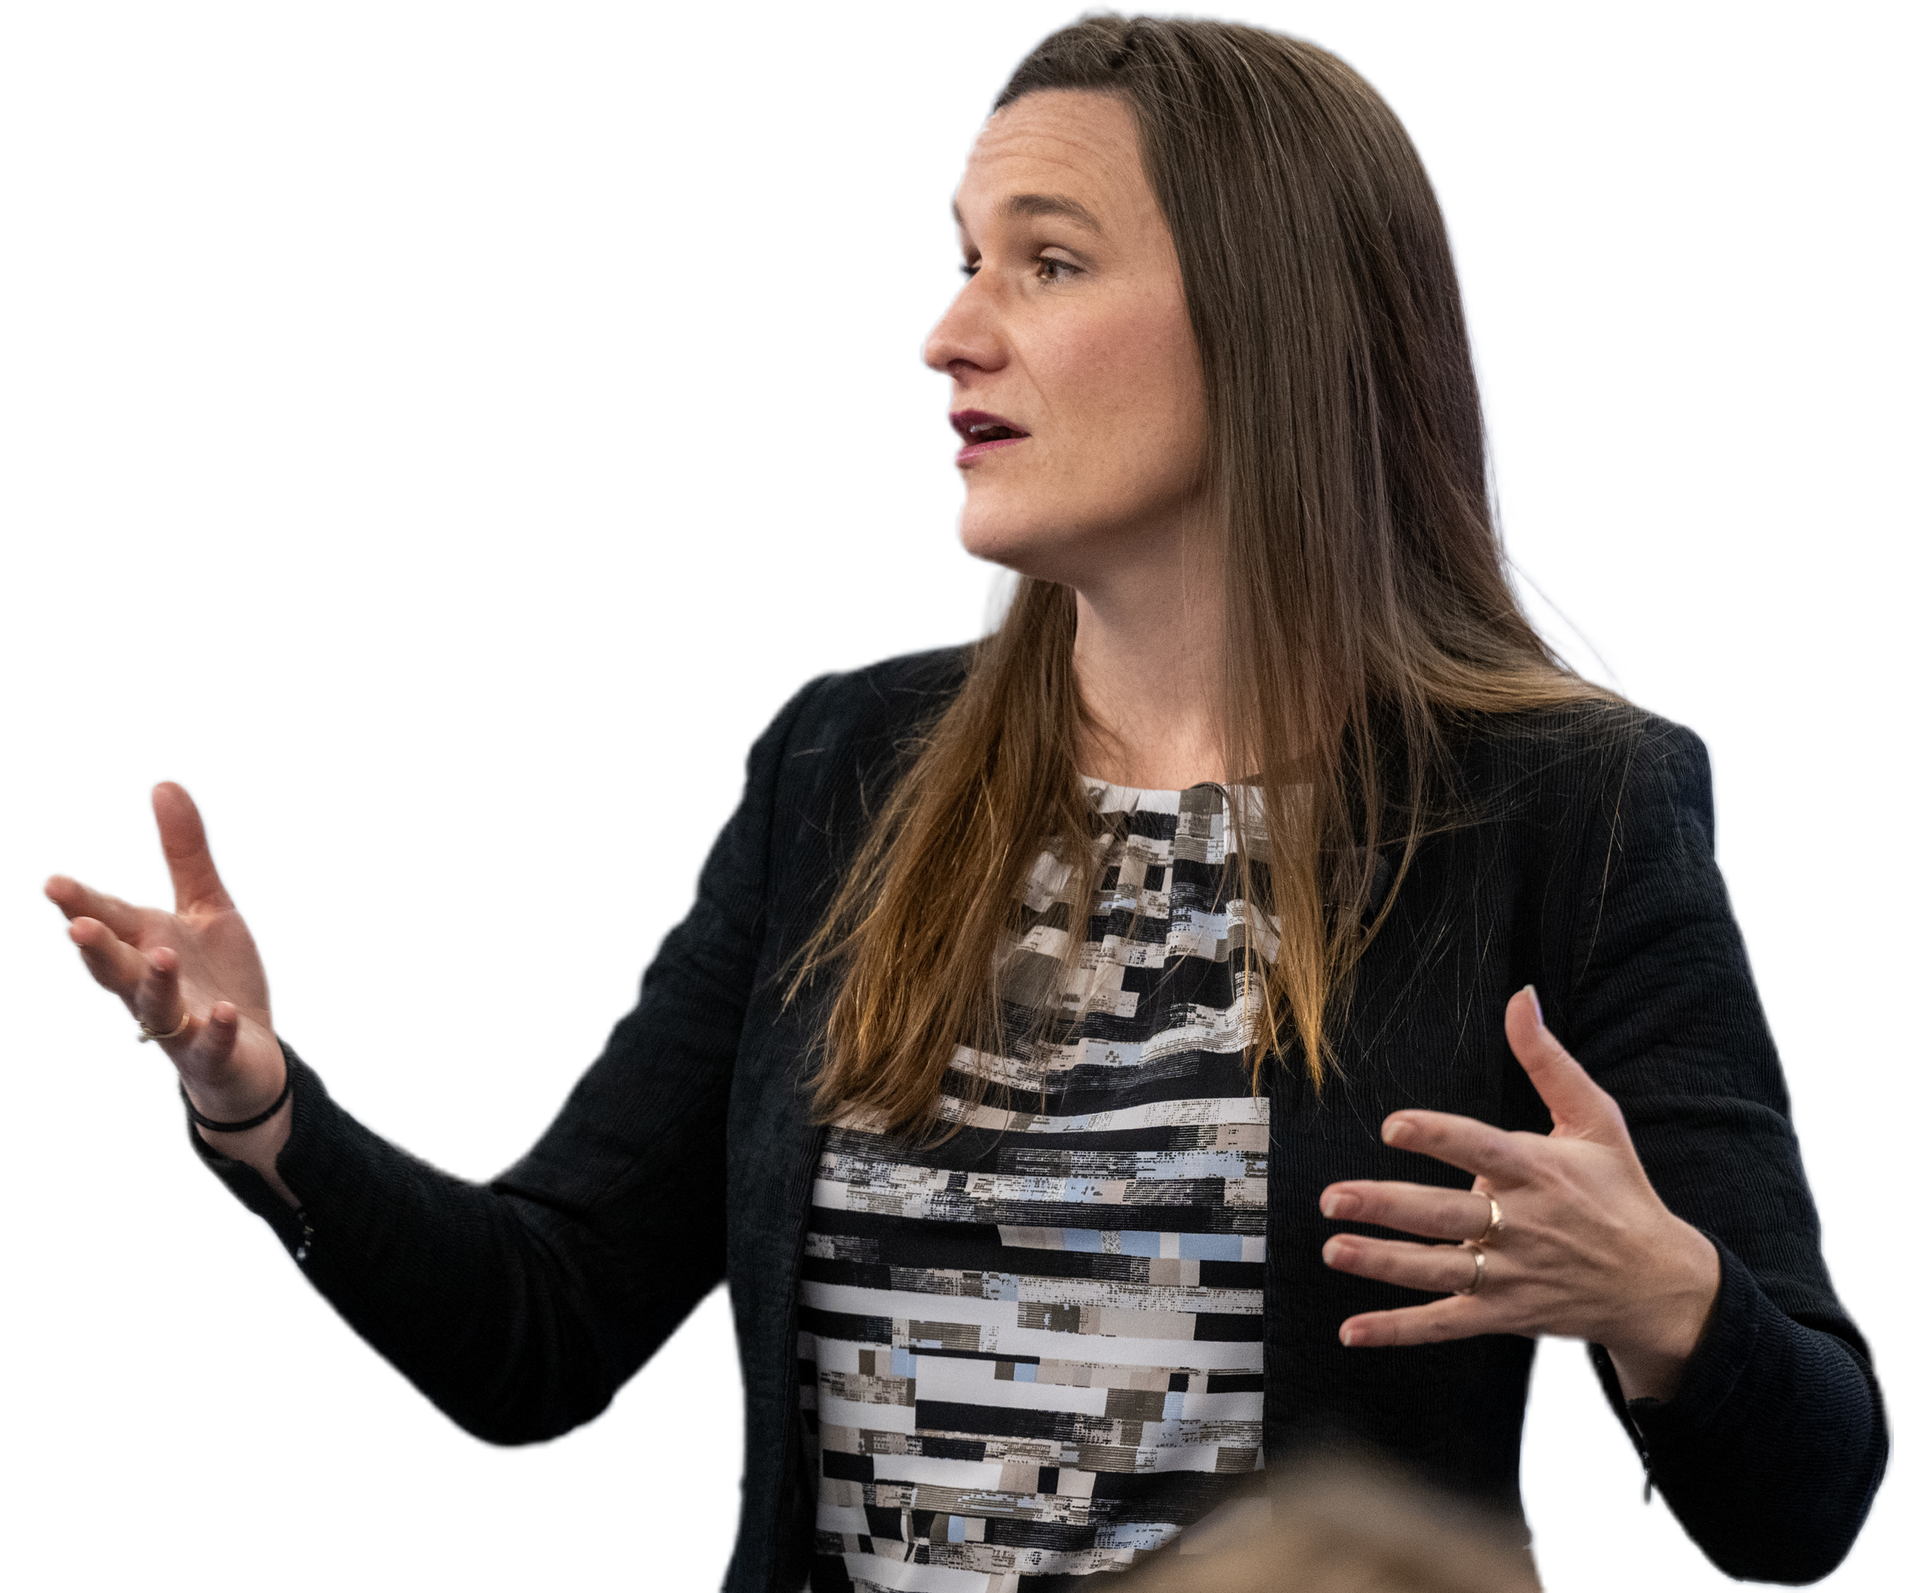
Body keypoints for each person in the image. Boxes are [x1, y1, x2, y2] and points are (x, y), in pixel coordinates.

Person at [38, 11, 1888, 1592]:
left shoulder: (1570, 807)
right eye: (960, 258)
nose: (950, 334)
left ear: (1264, 321)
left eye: (1047, 262)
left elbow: (1803, 1502)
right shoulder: (847, 767)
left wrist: (1667, 1304)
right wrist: (265, 1107)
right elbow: (545, 1328)